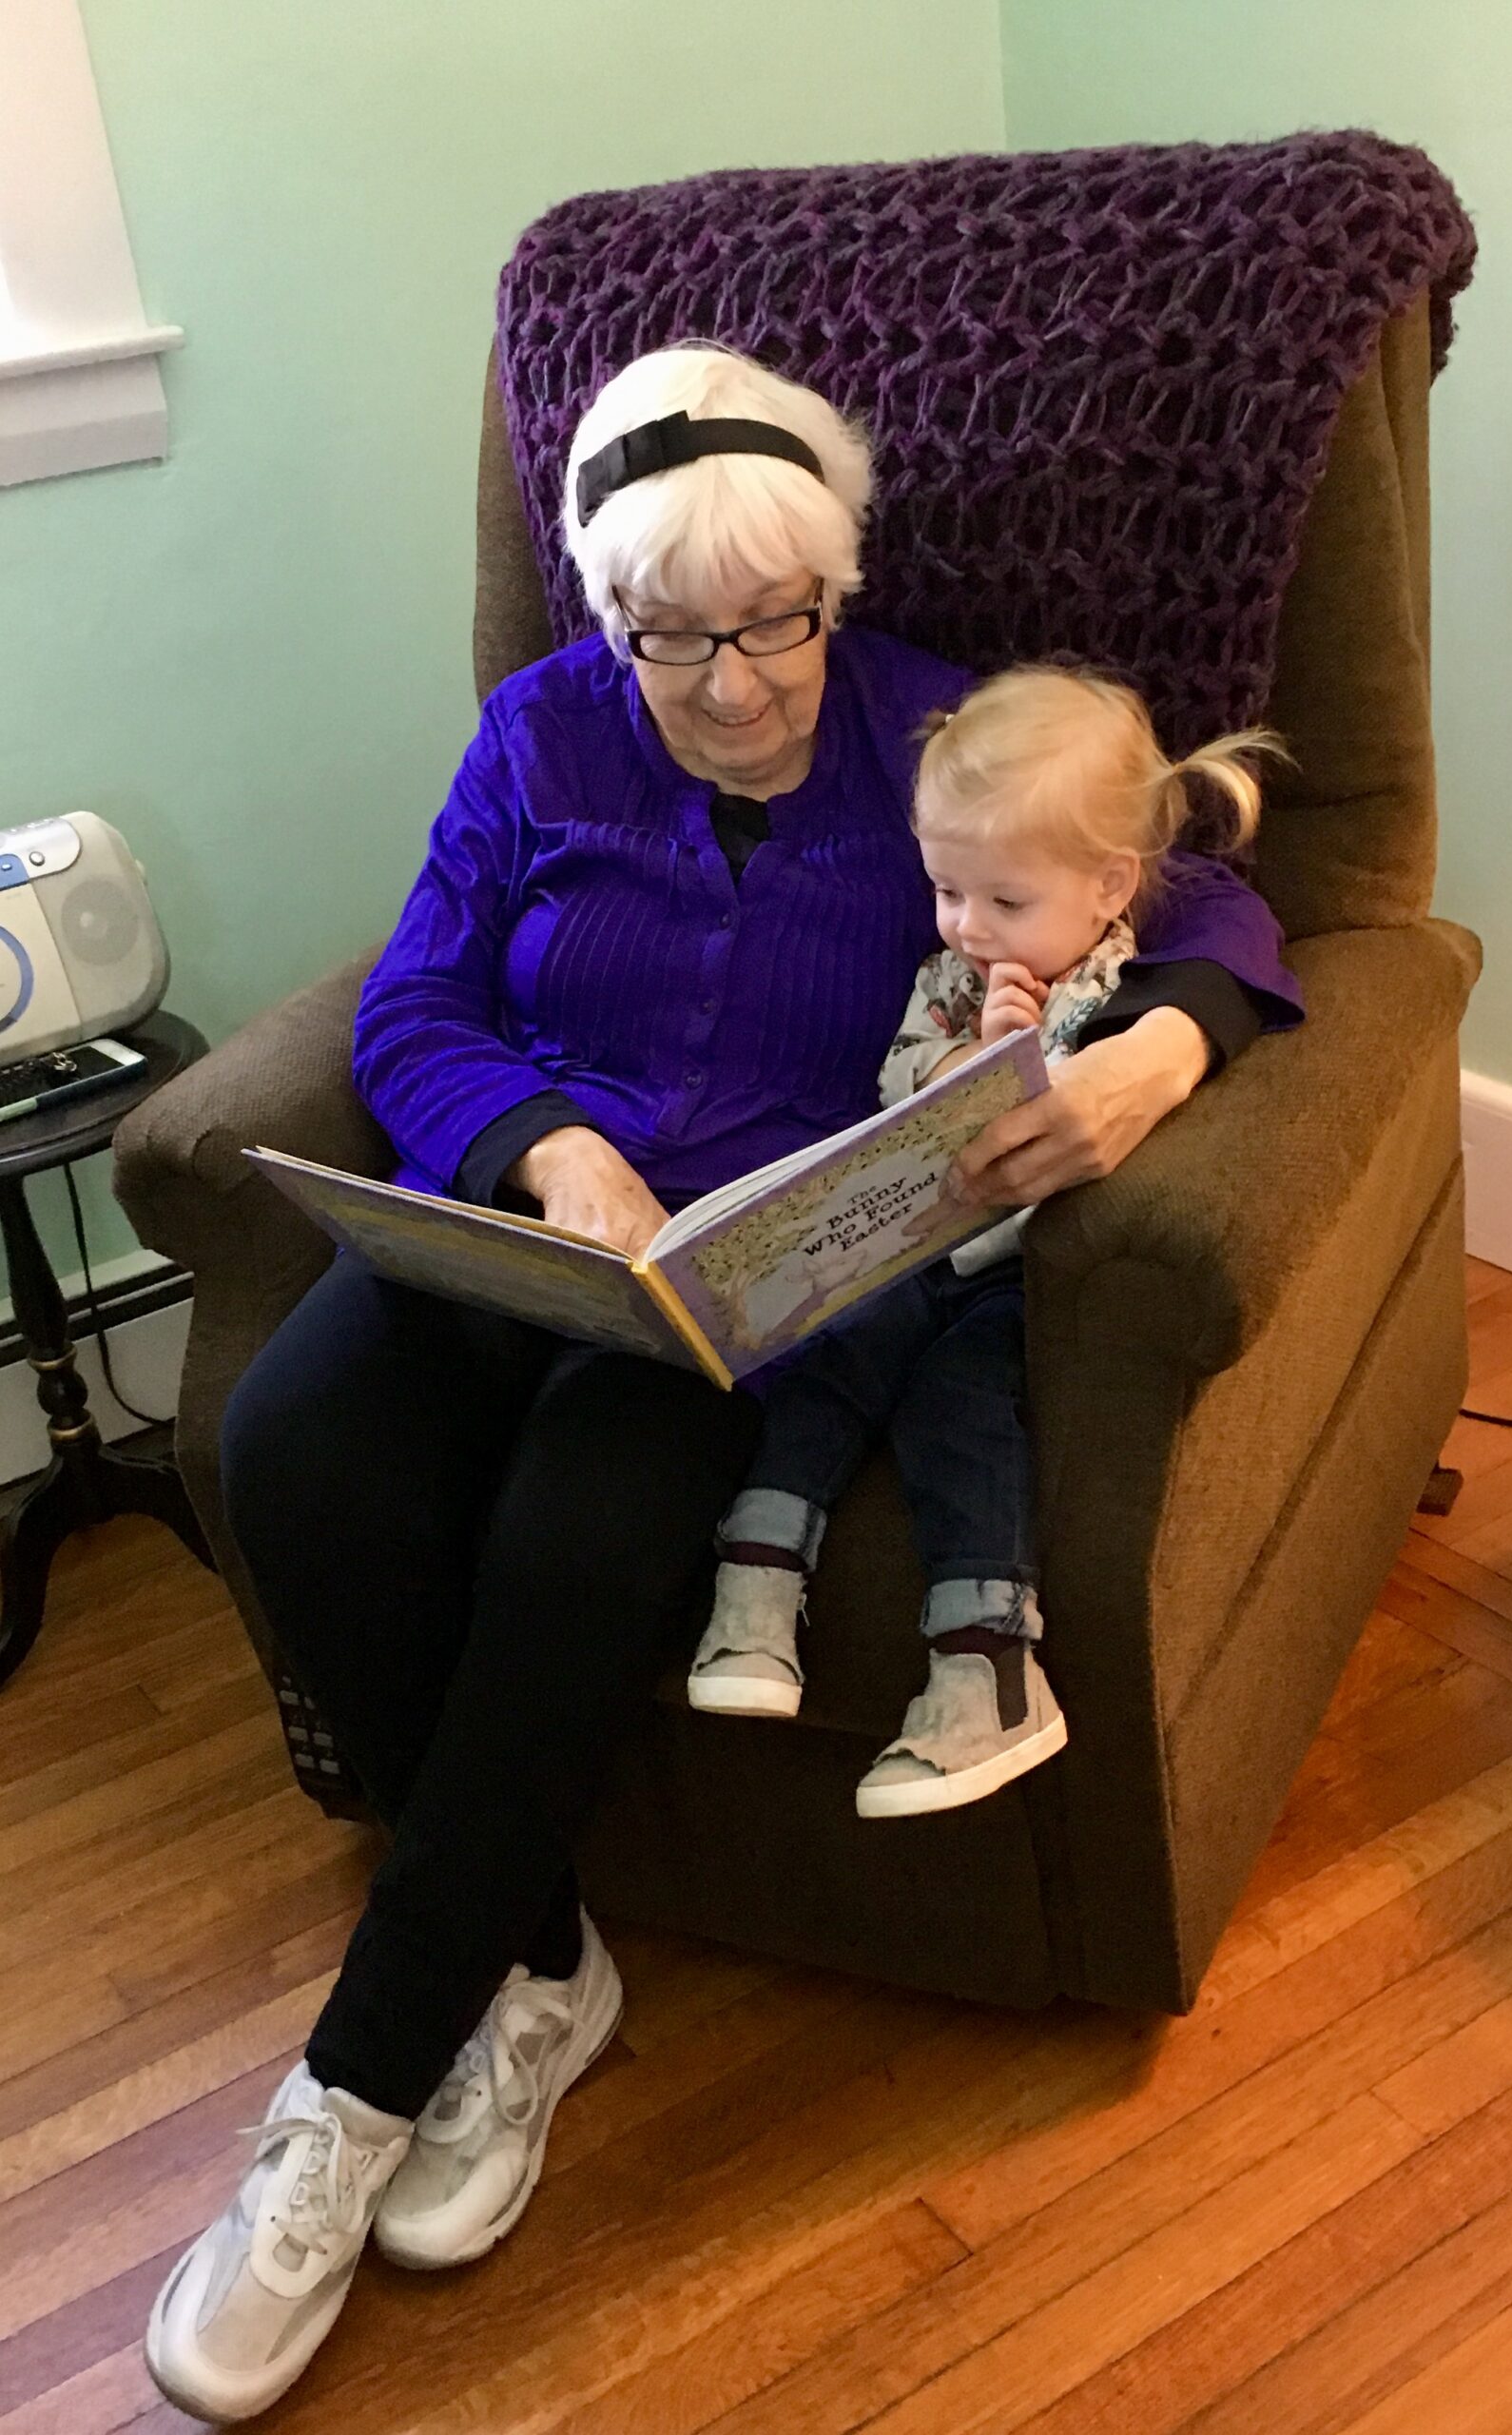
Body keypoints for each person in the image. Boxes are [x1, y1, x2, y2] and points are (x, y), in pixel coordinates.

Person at [145, 342, 1303, 2422]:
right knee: (289, 1448)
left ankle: (355, 2084)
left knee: (582, 1528)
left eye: (776, 623)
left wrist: (1163, 1043)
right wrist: (547, 1147)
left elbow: (1204, 892)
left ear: (836, 588)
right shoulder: (540, 732)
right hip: (526, 1214)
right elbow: (416, 999)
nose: (737, 685)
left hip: (744, 1281)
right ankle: (540, 1961)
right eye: (671, 637)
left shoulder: (936, 734)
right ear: (607, 615)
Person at [688, 666, 1277, 1819]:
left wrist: (1041, 1063)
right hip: (919, 1246)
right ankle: (756, 1587)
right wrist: (964, 1062)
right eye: (947, 889)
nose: (966, 924)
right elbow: (898, 1085)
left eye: (1003, 899)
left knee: (962, 1414)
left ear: (1109, 885)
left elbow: (1122, 1120)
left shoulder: (1131, 982)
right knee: (826, 1355)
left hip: (1019, 1273)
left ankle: (990, 1671)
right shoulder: (953, 979)